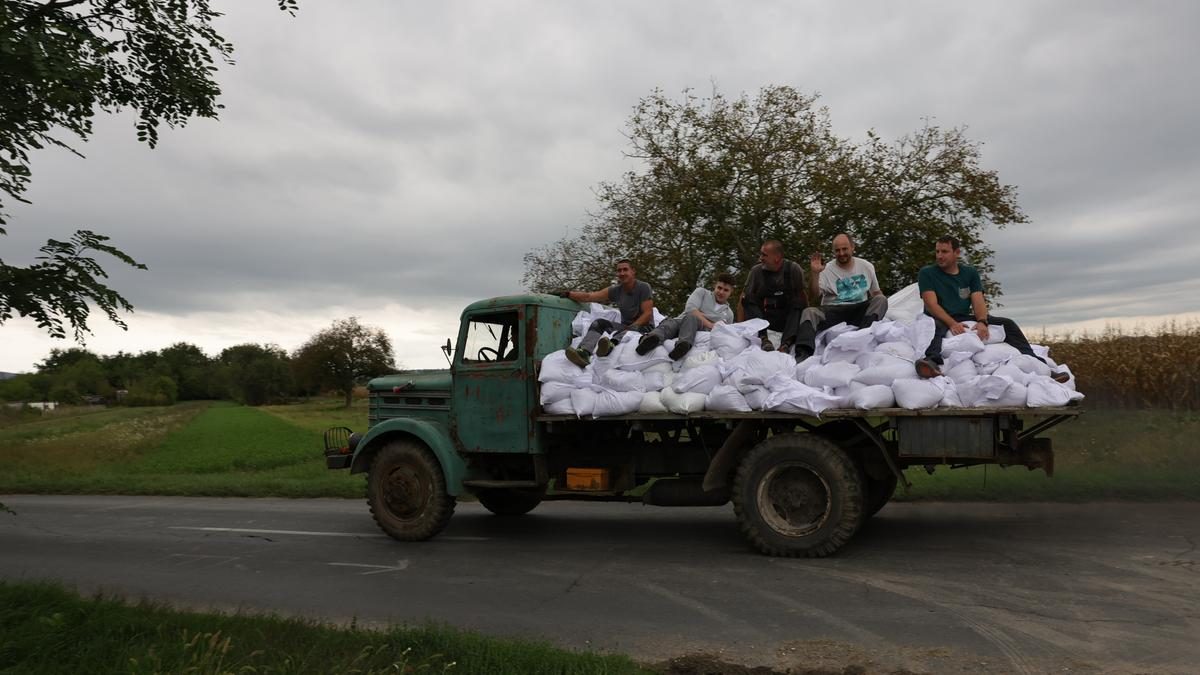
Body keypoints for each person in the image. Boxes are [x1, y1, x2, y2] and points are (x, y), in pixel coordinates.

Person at [914, 236, 1069, 383]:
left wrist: (982, 321)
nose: (939, 256)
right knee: (935, 327)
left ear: (957, 253)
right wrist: (952, 324)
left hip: (962, 315)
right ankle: (931, 362)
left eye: (944, 252)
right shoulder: (927, 273)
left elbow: (978, 300)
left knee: (1007, 324)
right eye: (937, 251)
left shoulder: (970, 273)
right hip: (938, 316)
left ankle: (1041, 366)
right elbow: (931, 305)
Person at [794, 233, 888, 361]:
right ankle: (803, 354)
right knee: (809, 312)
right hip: (834, 310)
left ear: (852, 248)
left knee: (881, 300)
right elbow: (813, 296)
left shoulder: (866, 266)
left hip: (858, 310)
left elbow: (876, 293)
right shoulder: (826, 269)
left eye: (845, 249)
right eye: (837, 250)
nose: (841, 253)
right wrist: (815, 274)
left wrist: (881, 308)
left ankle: (862, 335)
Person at [555, 259, 654, 368]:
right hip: (625, 327)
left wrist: (630, 327)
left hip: (644, 328)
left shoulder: (643, 287)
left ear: (633, 271)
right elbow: (590, 296)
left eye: (625, 270)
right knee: (599, 323)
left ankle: (610, 346)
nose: (622, 273)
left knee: (627, 330)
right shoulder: (616, 290)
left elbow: (647, 314)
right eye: (619, 271)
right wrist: (569, 294)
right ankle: (584, 353)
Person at [636, 273, 736, 360]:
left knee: (691, 318)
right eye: (719, 288)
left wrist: (699, 315)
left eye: (726, 290)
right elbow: (691, 309)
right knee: (670, 323)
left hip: (696, 328)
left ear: (731, 292)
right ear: (715, 286)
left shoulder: (729, 314)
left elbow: (723, 332)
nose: (721, 292)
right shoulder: (702, 292)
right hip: (680, 321)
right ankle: (650, 340)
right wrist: (710, 324)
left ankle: (682, 346)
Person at [740, 239, 808, 353]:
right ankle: (764, 339)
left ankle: (786, 343)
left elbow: (803, 296)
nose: (760, 258)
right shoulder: (756, 271)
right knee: (747, 298)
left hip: (787, 320)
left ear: (777, 257)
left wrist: (805, 324)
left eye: (764, 255)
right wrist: (739, 326)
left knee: (798, 301)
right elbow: (742, 298)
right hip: (764, 318)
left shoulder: (794, 269)